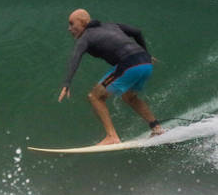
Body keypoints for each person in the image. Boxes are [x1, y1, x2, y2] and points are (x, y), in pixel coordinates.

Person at [58, 8, 164, 145]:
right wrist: (146, 53)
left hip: (129, 64)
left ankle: (112, 136)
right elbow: (137, 32)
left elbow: (75, 57)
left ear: (83, 22)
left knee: (95, 96)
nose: (69, 28)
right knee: (129, 97)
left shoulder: (86, 37)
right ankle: (156, 128)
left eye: (72, 24)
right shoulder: (112, 25)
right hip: (145, 62)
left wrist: (67, 83)